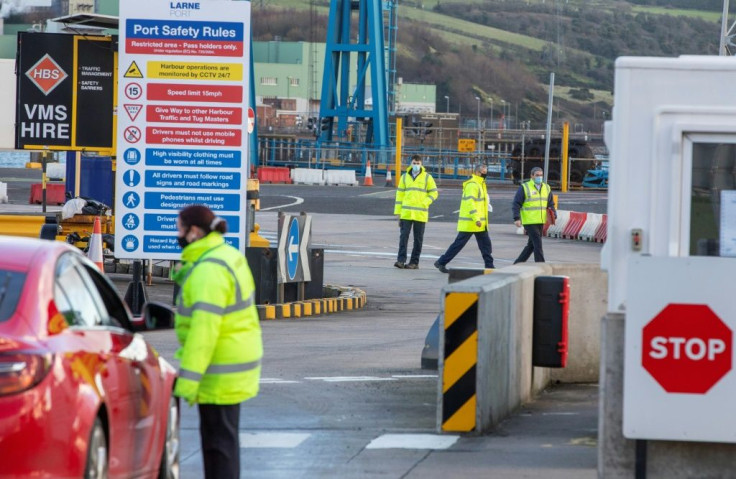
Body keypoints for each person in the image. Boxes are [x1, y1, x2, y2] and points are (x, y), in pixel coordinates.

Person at [173, 204, 263, 479]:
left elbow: (204, 331)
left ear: (194, 232)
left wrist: (186, 382)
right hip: (234, 362)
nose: (176, 234)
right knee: (223, 442)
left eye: (179, 228)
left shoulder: (207, 271)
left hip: (219, 368)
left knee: (218, 447)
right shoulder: (225, 254)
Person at [434, 163, 495, 272]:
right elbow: (470, 203)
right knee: (459, 244)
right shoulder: (473, 185)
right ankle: (441, 262)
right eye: (483, 173)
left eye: (486, 173)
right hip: (472, 222)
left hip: (479, 222)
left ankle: (489, 265)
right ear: (477, 172)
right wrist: (476, 218)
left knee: (485, 245)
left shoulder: (480, 184)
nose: (485, 175)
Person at [393, 154, 438, 269]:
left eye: (418, 163)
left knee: (418, 240)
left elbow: (434, 193)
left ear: (421, 164)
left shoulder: (427, 177)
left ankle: (414, 262)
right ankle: (401, 260)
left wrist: (426, 202)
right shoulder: (404, 177)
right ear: (410, 163)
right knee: (403, 237)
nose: (416, 165)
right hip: (406, 213)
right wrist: (398, 214)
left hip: (420, 213)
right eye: (414, 163)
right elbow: (399, 196)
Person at [512, 166, 556, 263]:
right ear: (532, 176)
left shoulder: (547, 188)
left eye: (541, 175)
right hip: (529, 221)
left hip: (540, 220)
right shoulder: (525, 187)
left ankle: (517, 264)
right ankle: (540, 265)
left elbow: (550, 203)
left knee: (531, 245)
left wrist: (554, 214)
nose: (539, 177)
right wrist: (516, 218)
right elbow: (516, 203)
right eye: (537, 175)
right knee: (537, 243)